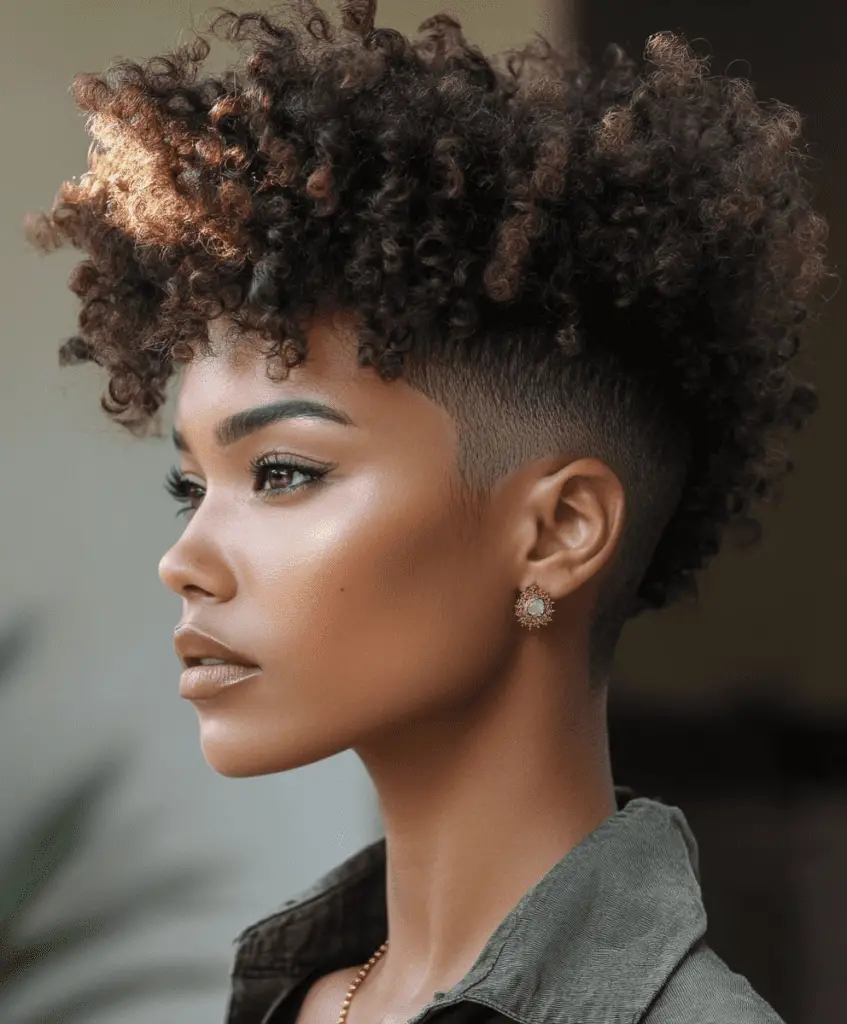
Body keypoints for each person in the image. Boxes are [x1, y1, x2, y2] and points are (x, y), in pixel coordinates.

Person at [23, 2, 829, 1021]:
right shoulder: (299, 1001)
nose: (184, 560)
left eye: (281, 472)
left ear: (556, 532)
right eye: (190, 487)